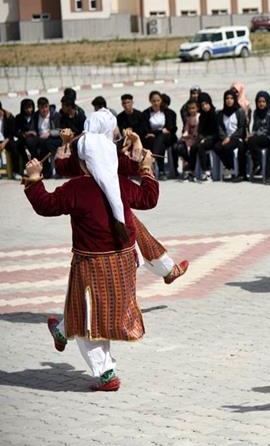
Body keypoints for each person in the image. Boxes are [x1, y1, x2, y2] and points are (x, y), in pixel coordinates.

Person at [24, 108, 159, 391]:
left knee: (90, 318)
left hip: (91, 264)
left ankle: (106, 372)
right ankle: (61, 331)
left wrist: (34, 180)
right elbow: (148, 198)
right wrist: (146, 169)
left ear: (83, 161)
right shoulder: (119, 183)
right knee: (88, 308)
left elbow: (46, 205)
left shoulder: (77, 189)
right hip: (122, 262)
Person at [55, 126, 189, 285]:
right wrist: (146, 166)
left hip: (92, 251)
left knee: (140, 238)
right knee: (132, 247)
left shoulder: (81, 164)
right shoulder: (112, 171)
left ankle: (168, 270)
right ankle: (168, 270)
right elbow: (146, 193)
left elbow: (61, 168)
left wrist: (33, 180)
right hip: (111, 246)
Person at [141, 90, 178, 180]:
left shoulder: (169, 113)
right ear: (150, 101)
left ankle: (154, 159)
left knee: (161, 138)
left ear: (161, 100)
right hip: (153, 139)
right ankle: (161, 171)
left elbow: (171, 128)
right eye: (154, 101)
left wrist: (157, 132)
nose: (156, 103)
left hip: (168, 138)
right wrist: (160, 131)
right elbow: (145, 129)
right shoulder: (146, 113)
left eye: (158, 100)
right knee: (157, 142)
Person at [214, 88, 247, 182]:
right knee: (217, 147)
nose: (229, 100)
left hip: (236, 137)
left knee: (228, 147)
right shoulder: (221, 113)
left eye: (231, 98)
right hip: (225, 138)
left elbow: (241, 128)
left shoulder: (239, 112)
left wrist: (230, 138)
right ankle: (229, 166)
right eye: (227, 98)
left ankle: (234, 170)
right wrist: (224, 137)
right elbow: (220, 128)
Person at [247, 91, 270, 179]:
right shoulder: (256, 112)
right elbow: (255, 127)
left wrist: (255, 135)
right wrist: (251, 134)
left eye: (263, 102)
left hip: (269, 137)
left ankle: (258, 163)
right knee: (248, 141)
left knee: (252, 140)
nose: (261, 104)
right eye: (259, 102)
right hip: (258, 137)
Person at [175, 100, 200, 180]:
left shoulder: (199, 117)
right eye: (190, 109)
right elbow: (186, 129)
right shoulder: (188, 119)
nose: (192, 110)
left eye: (193, 108)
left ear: (197, 108)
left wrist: (190, 136)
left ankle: (190, 168)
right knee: (178, 147)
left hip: (196, 139)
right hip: (189, 139)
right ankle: (187, 166)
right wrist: (185, 135)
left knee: (191, 149)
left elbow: (197, 131)